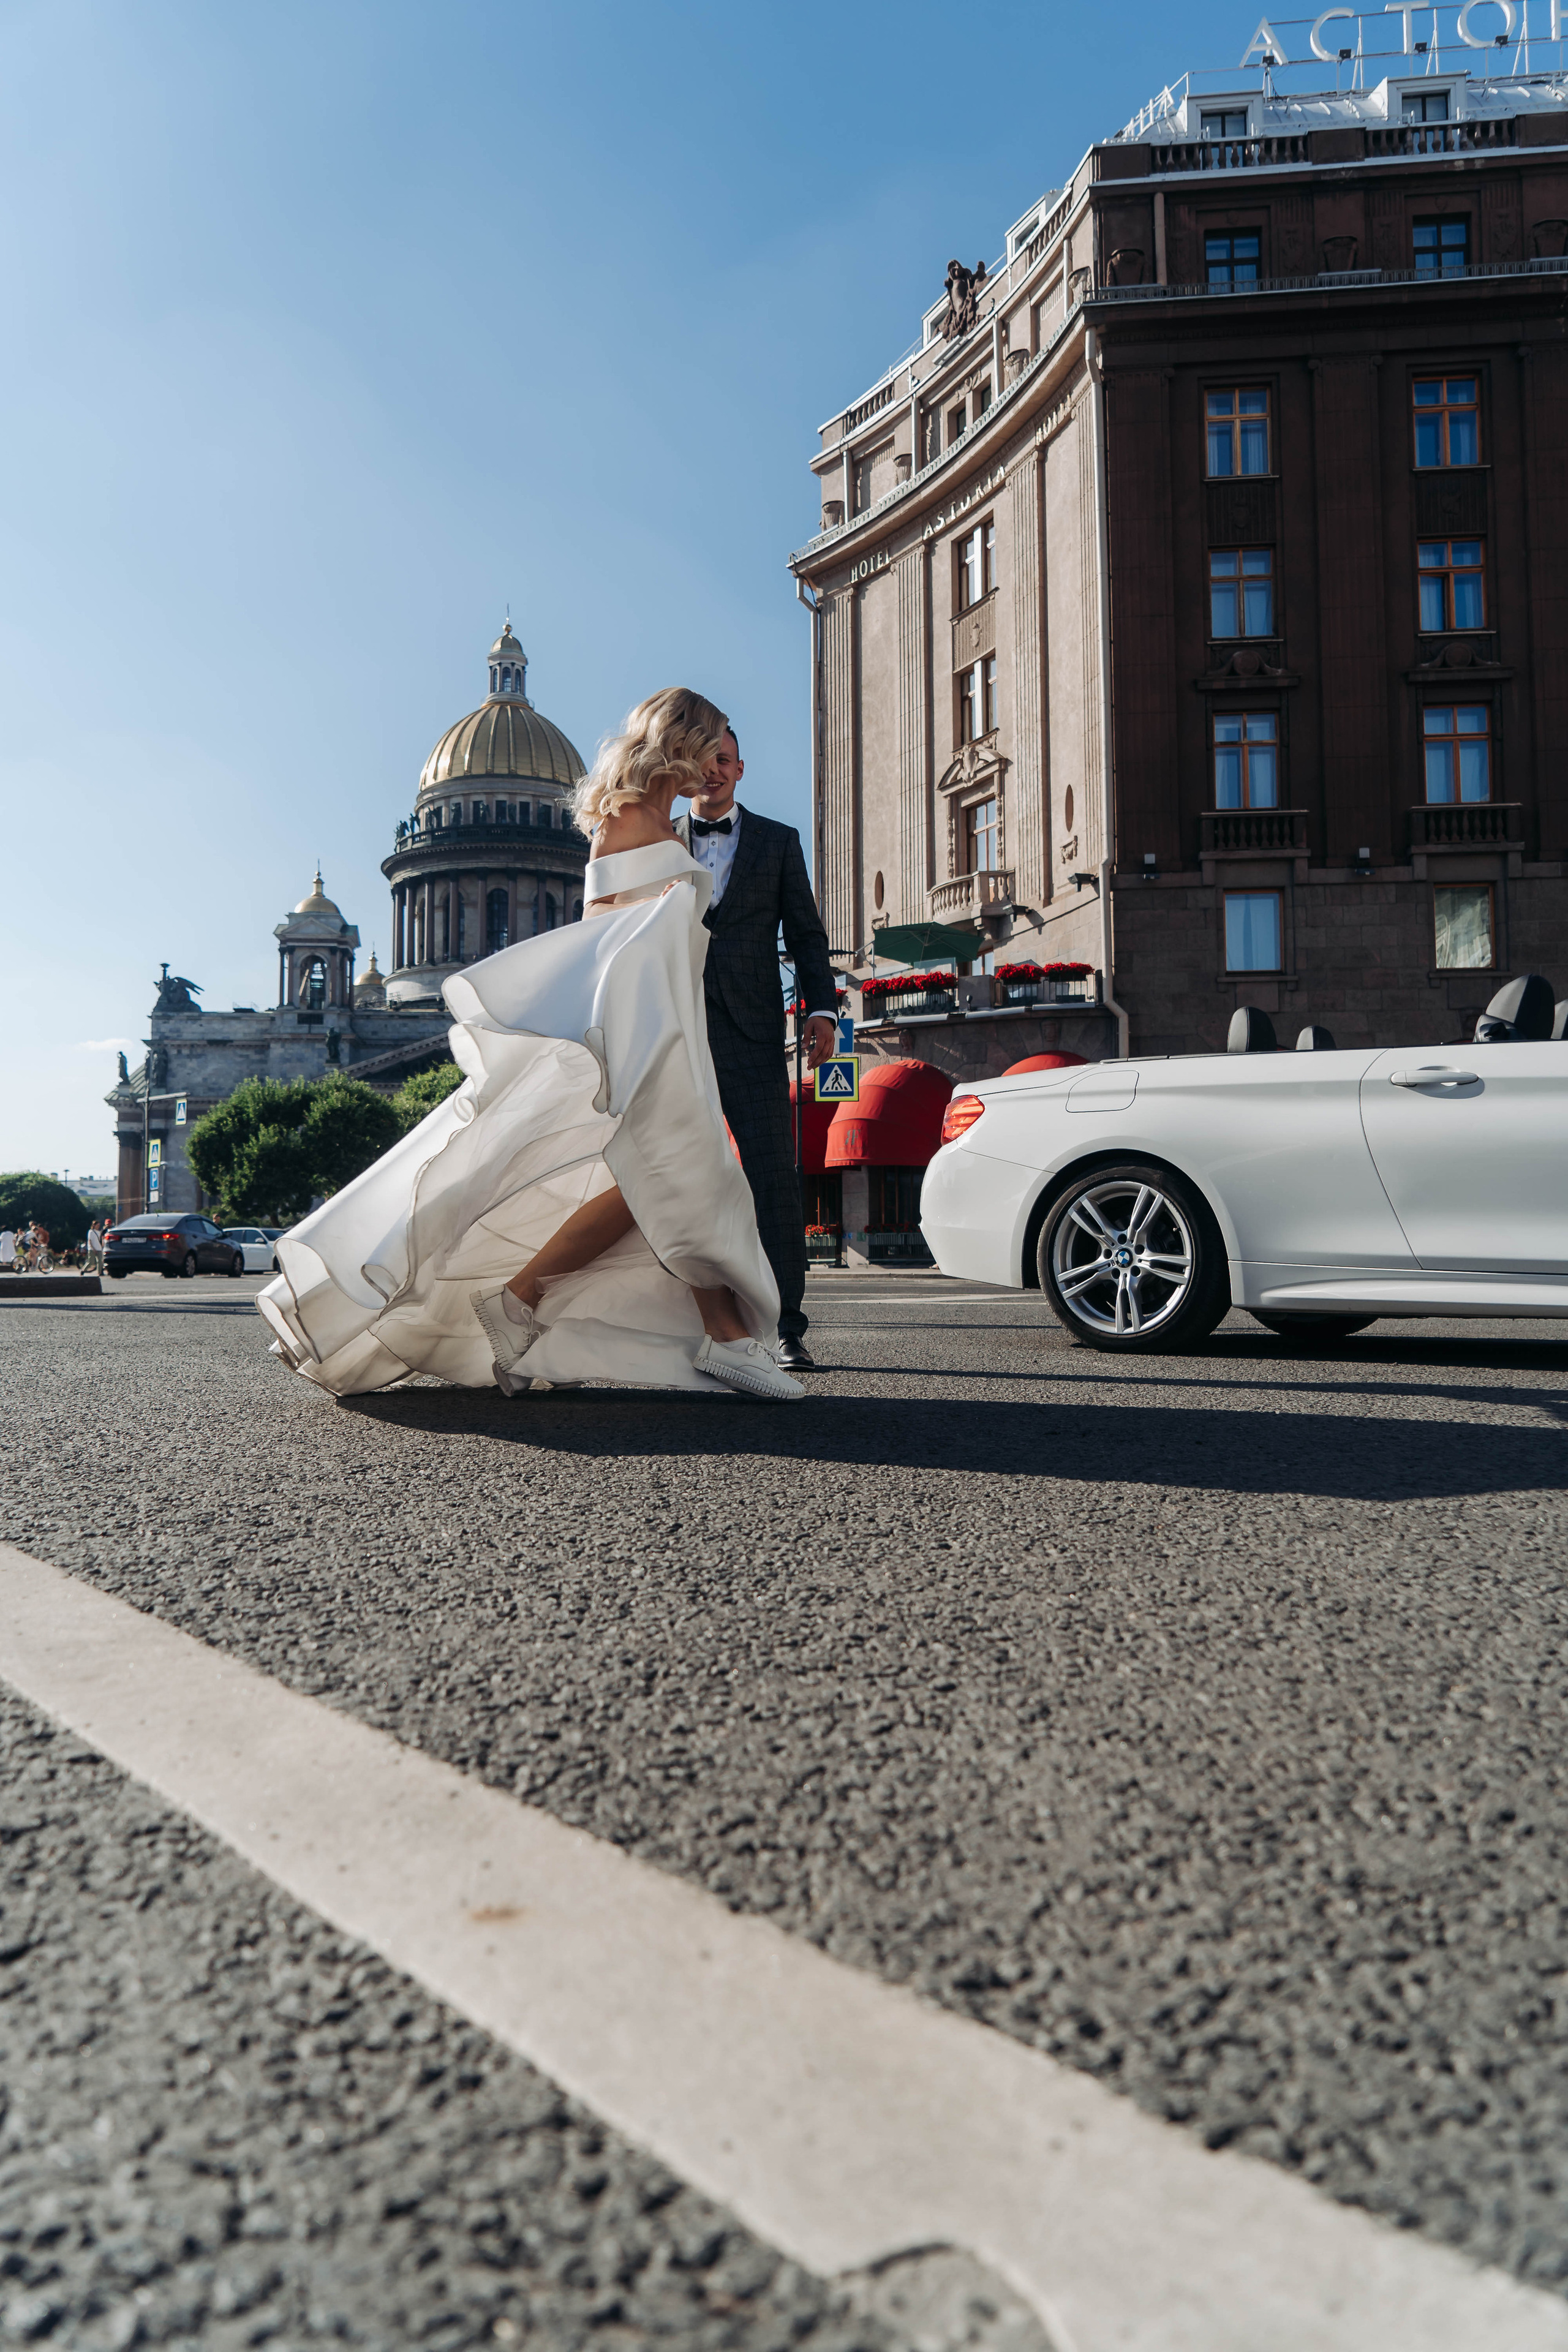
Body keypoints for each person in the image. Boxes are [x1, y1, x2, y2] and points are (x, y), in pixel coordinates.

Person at [257, 687, 804, 1404]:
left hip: (675, 1029)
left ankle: (519, 1302)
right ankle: (727, 1341)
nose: (723, 766)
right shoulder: (631, 823)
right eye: (714, 749)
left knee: (650, 1190)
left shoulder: (657, 826)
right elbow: (599, 942)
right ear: (681, 742)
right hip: (647, 1033)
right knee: (682, 1179)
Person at [675, 726, 838, 1370]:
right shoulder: (657, 840)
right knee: (674, 1178)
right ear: (684, 768)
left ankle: (787, 1327)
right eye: (701, 759)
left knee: (773, 1179)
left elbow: (805, 933)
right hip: (675, 1029)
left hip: (751, 1032)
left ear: (740, 768)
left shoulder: (777, 841)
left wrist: (820, 1009)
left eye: (723, 759)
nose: (712, 771)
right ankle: (692, 1329)